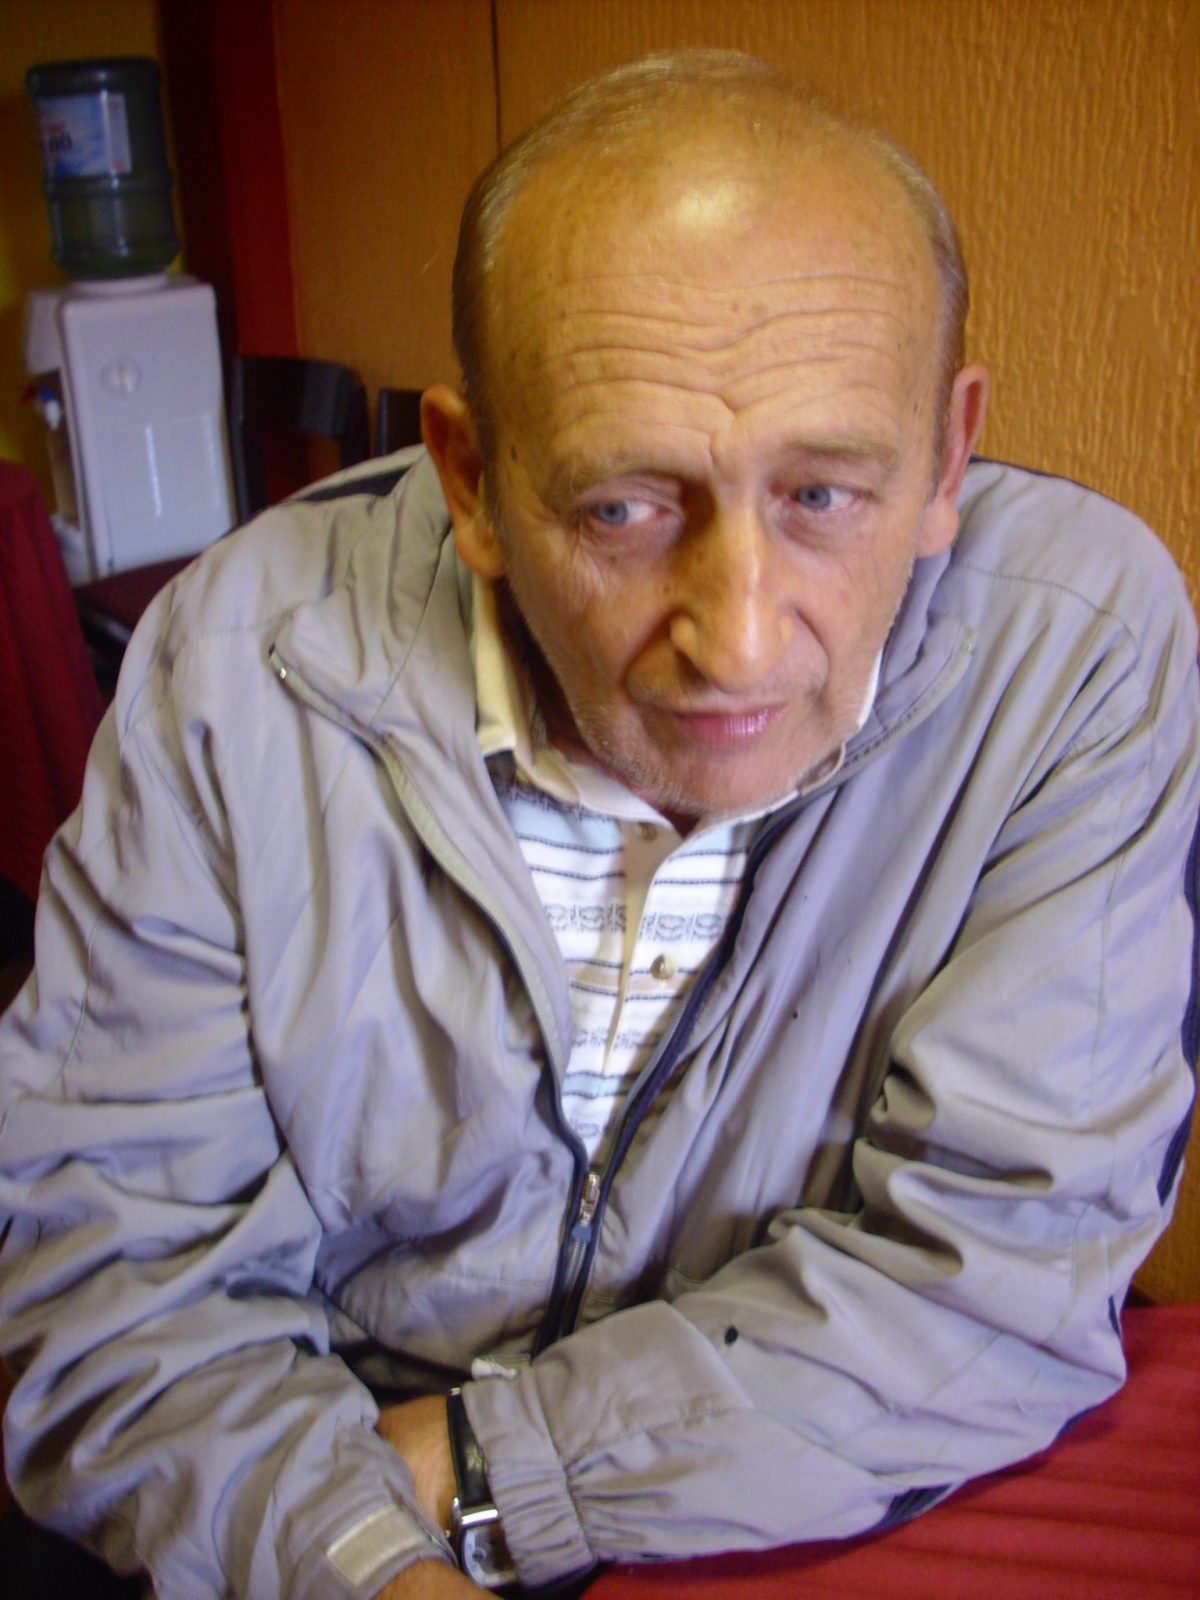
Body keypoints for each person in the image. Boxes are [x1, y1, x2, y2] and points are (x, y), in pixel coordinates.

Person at [1, 47, 1197, 1600]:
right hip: (309, 1467)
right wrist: (356, 1553)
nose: (739, 643)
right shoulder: (238, 663)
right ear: (471, 479)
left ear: (947, 455)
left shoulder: (1077, 651)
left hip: (772, 1479)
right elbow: (106, 1280)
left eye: (825, 495)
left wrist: (487, 1470)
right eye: (623, 508)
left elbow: (998, 1271)